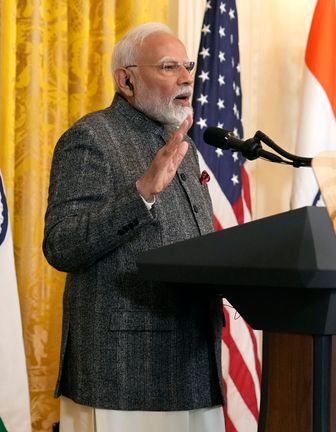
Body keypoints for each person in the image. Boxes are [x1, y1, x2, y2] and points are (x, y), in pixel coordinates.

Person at [43, 23, 224, 431]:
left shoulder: (185, 147)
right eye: (168, 67)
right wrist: (142, 191)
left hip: (194, 363)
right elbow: (62, 245)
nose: (186, 78)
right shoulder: (90, 138)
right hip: (125, 373)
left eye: (188, 66)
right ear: (126, 79)